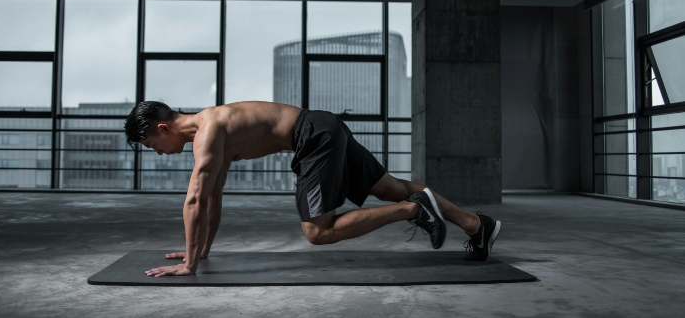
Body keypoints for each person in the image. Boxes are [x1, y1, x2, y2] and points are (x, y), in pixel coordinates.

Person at [124, 101, 501, 277]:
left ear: (162, 128)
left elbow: (194, 199)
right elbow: (212, 196)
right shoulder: (211, 129)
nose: (157, 154)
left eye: (151, 146)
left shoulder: (207, 133)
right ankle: (476, 225)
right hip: (323, 126)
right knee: (392, 186)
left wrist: (189, 266)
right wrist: (201, 251)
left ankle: (413, 210)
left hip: (313, 136)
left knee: (318, 231)